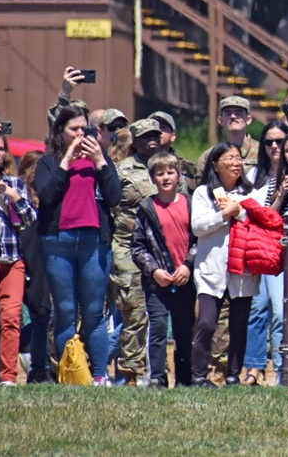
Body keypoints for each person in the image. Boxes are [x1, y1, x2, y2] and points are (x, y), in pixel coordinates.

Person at [35, 104, 121, 386]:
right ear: (60, 131)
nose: (81, 135)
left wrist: (99, 161)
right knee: (66, 312)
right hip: (58, 242)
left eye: (85, 129)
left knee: (94, 312)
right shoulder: (48, 162)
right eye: (74, 129)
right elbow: (46, 195)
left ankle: (99, 375)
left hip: (93, 242)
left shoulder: (100, 161)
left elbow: (114, 195)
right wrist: (68, 158)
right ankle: (70, 376)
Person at [112, 118, 181, 386]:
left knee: (160, 316)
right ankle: (130, 374)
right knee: (135, 310)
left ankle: (158, 372)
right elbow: (111, 207)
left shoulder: (171, 167)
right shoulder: (122, 170)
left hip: (165, 251)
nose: (151, 140)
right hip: (129, 247)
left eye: (155, 135)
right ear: (135, 141)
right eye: (144, 137)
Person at [190, 142, 261, 387]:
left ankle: (233, 376)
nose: (235, 163)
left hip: (243, 270)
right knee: (207, 323)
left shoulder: (251, 194)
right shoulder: (203, 193)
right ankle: (199, 376)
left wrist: (238, 211)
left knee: (239, 326)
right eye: (228, 158)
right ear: (215, 165)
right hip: (211, 271)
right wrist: (223, 215)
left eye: (238, 158)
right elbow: (197, 227)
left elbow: (259, 223)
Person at [129, 152, 196, 388]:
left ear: (179, 175)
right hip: (157, 283)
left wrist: (188, 265)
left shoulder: (190, 204)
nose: (166, 177)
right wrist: (154, 271)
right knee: (157, 328)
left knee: (184, 331)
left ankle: (184, 379)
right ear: (152, 178)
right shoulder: (147, 208)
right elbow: (137, 247)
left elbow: (198, 240)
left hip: (185, 281)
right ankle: (157, 377)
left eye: (170, 172)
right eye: (160, 173)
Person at [240, 120, 288, 386]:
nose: (273, 146)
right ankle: (254, 367)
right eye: (269, 141)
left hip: (279, 250)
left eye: (279, 141)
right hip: (255, 249)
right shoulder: (254, 176)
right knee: (257, 308)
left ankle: (283, 370)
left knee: (281, 311)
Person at [0, 131, 37, 386]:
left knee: (10, 317)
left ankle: (8, 377)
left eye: (0, 149)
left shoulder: (15, 184)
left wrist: (12, 196)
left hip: (12, 258)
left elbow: (30, 219)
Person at [16, 150, 53, 383]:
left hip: (41, 258)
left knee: (42, 316)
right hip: (20, 256)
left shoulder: (48, 198)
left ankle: (39, 369)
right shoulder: (18, 195)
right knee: (18, 316)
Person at [195, 97, 260, 176]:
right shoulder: (209, 157)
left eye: (238, 112)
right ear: (220, 120)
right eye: (228, 113)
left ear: (248, 119)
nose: (233, 116)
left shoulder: (262, 153)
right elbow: (196, 186)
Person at [149, 111, 198, 192]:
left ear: (172, 136)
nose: (157, 131)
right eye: (153, 128)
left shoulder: (188, 168)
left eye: (163, 127)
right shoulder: (132, 165)